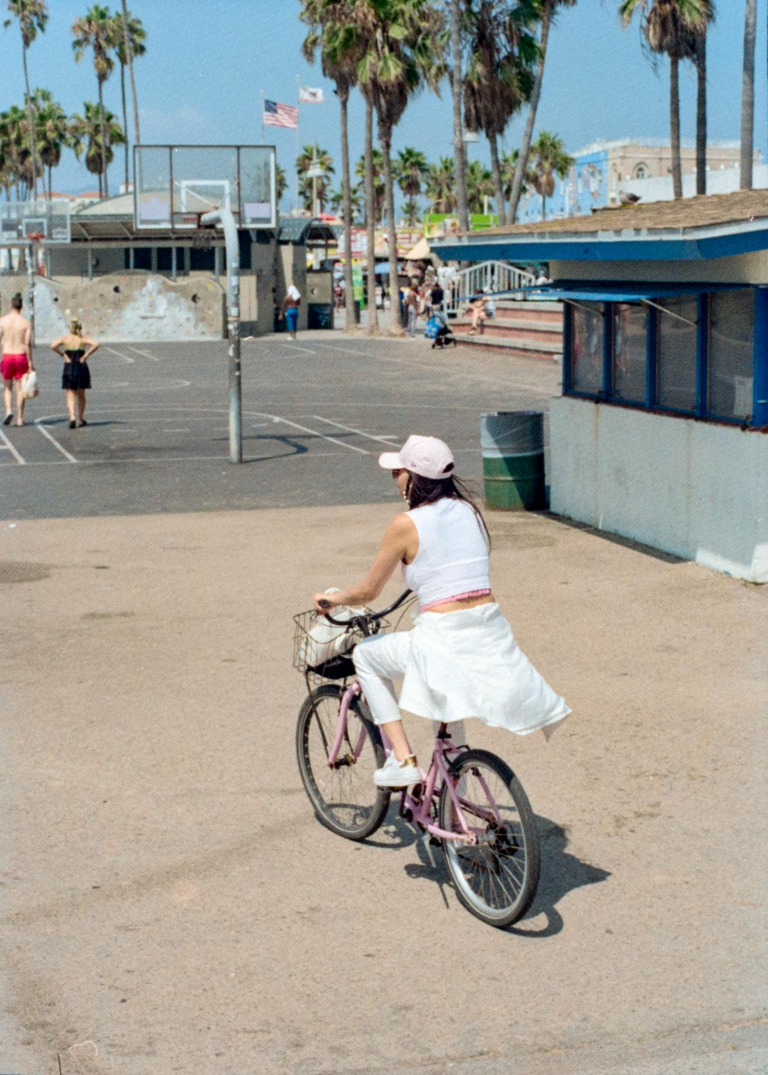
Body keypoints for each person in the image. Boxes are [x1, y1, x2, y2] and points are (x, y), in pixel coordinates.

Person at [312, 435, 571, 787]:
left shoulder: (405, 523)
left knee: (366, 656)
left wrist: (334, 599)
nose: (396, 480)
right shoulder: (469, 511)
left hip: (444, 637)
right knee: (447, 702)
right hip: (488, 632)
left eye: (398, 473)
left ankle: (402, 760)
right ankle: (456, 804)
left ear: (414, 477)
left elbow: (368, 592)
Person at [50, 318, 100, 429]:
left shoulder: (65, 339)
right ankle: (80, 418)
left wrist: (63, 355)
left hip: (69, 366)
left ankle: (72, 416)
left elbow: (53, 345)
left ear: (69, 328)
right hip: (80, 365)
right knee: (81, 394)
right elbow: (96, 344)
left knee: (70, 393)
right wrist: (86, 355)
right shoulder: (82, 339)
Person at [1, 293, 33, 427]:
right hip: (20, 355)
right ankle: (20, 418)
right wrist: (30, 362)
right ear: (22, 306)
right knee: (20, 387)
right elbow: (27, 343)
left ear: (11, 305)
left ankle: (8, 410)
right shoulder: (26, 322)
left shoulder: (2, 320)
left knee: (7, 386)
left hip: (7, 354)